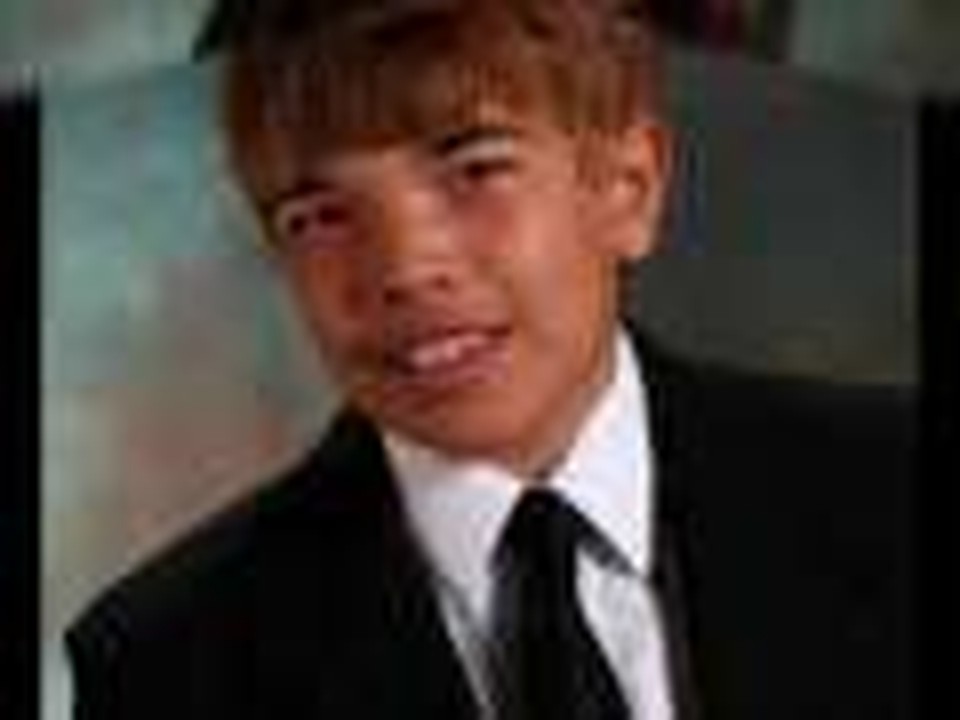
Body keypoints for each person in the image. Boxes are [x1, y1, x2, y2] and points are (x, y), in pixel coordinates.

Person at [65, 1, 913, 719]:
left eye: (476, 168)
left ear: (630, 187)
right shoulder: (165, 664)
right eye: (318, 216)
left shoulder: (891, 489)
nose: (404, 268)